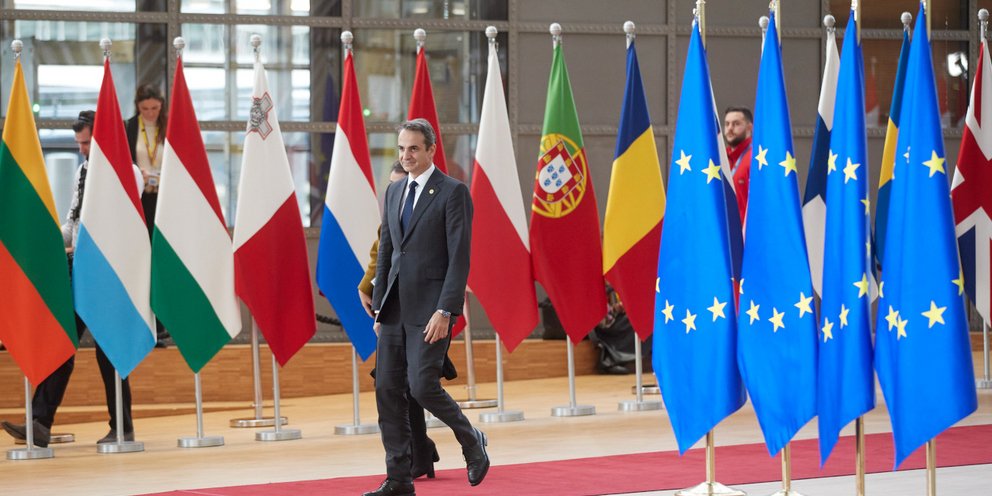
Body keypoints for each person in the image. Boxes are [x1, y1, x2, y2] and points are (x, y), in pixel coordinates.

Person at [1, 110, 144, 446]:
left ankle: (122, 427)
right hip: (78, 270)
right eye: (79, 143)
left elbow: (119, 221)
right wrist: (49, 240)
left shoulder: (128, 172)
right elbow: (73, 222)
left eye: (87, 143)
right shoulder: (83, 171)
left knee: (108, 351)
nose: (81, 150)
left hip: (109, 275)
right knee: (61, 342)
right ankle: (40, 423)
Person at [364, 119, 489, 496]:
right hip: (394, 311)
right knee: (387, 391)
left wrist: (446, 310)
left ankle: (471, 440)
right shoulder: (394, 191)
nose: (406, 156)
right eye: (402, 149)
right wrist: (379, 308)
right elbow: (387, 252)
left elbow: (459, 257)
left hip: (431, 311)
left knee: (422, 387)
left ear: (431, 150)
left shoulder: (453, 192)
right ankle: (399, 478)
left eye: (414, 149)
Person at [125, 84, 169, 346]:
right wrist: (135, 172)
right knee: (143, 259)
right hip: (140, 201)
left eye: (155, 108)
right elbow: (123, 160)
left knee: (161, 260)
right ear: (138, 107)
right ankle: (143, 323)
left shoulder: (169, 126)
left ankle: (162, 325)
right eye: (145, 109)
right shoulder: (130, 127)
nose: (151, 113)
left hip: (164, 201)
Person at [724, 106, 753, 223]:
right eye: (727, 124)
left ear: (749, 127)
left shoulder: (756, 158)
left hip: (748, 231)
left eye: (736, 124)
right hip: (724, 229)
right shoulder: (720, 159)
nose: (730, 128)